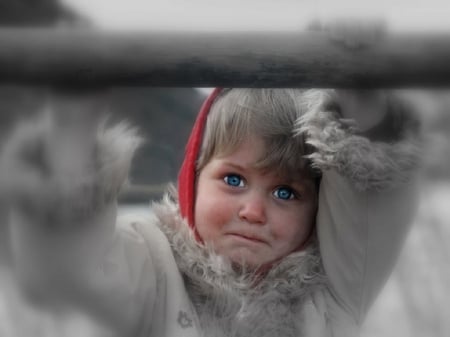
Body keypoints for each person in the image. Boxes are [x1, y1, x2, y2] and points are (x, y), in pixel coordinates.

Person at [0, 87, 422, 337]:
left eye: (285, 192)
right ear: (192, 181)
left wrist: (362, 104)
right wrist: (70, 160)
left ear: (319, 206)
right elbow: (75, 268)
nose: (254, 212)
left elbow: (372, 201)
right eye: (233, 180)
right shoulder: (152, 265)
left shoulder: (332, 290)